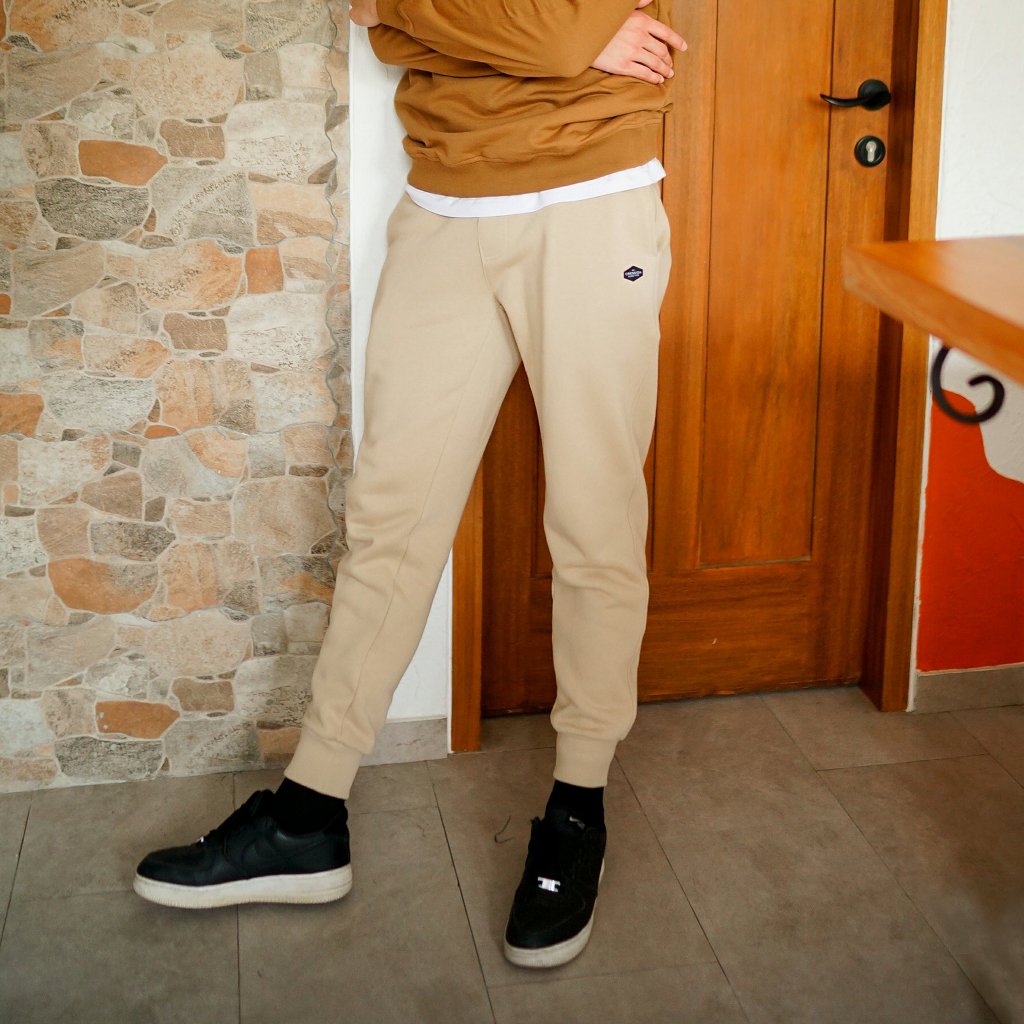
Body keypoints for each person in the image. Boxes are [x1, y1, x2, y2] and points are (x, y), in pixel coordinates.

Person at [134, 0, 686, 970]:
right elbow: (401, 22)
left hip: (593, 199)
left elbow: (543, 32)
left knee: (594, 520)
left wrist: (466, 21)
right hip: (444, 207)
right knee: (389, 519)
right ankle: (309, 813)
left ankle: (578, 807)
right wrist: (543, 33)